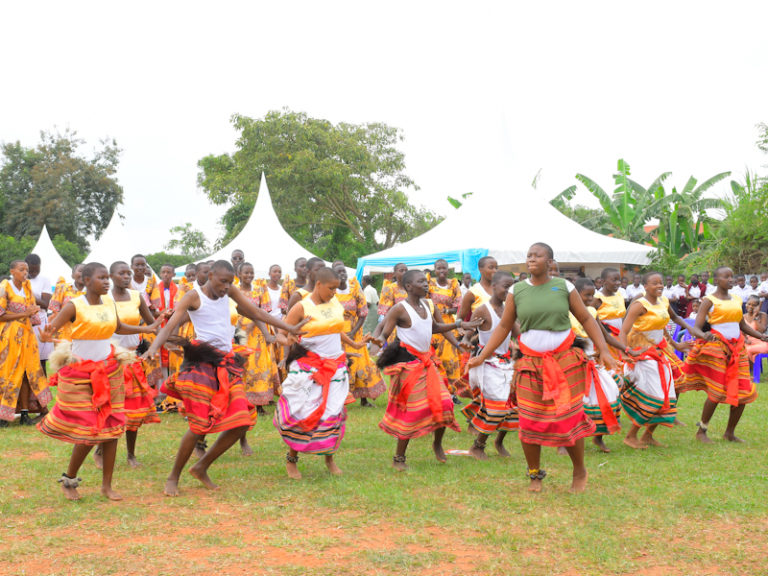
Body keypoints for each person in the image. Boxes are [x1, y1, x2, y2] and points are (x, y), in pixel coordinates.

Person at [143, 260, 308, 497]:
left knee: (242, 421)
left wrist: (288, 328)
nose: (227, 287)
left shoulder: (229, 290)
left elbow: (256, 312)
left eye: (230, 282)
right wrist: (154, 348)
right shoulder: (193, 296)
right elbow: (170, 326)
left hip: (226, 363)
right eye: (223, 281)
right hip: (201, 364)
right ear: (210, 275)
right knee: (199, 426)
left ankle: (201, 467)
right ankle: (173, 477)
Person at [468, 243, 615, 493]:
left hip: (565, 361)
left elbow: (587, 319)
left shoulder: (564, 287)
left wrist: (604, 349)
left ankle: (579, 471)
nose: (531, 259)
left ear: (550, 262)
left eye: (537, 256)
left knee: (568, 417)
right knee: (529, 420)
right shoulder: (517, 290)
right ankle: (534, 475)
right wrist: (482, 356)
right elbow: (504, 327)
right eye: (529, 255)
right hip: (529, 363)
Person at [38, 262, 163, 501]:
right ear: (86, 280)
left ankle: (107, 486)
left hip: (109, 370)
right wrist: (47, 334)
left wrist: (148, 327)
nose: (106, 281)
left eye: (107, 277)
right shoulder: (75, 305)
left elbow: (118, 327)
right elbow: (51, 328)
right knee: (89, 430)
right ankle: (69, 479)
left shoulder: (108, 302)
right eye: (101, 278)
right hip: (82, 374)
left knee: (112, 429)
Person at [373, 270, 480, 471]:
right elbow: (385, 332)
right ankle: (399, 457)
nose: (425, 284)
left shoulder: (427, 304)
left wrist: (458, 327)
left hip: (427, 363)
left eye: (425, 281)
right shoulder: (399, 308)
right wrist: (377, 342)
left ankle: (437, 443)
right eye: (420, 281)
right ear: (408, 287)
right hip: (408, 364)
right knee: (412, 411)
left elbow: (434, 327)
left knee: (446, 403)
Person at [274, 266, 369, 479]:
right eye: (331, 288)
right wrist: (287, 340)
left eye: (337, 289)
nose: (334, 293)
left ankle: (329, 459)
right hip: (310, 368)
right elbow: (280, 333)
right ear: (318, 284)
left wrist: (354, 342)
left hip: (335, 367)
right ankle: (292, 460)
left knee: (334, 413)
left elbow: (336, 329)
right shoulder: (301, 306)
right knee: (303, 413)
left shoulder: (334, 302)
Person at [678, 267, 768, 443]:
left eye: (731, 276)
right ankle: (702, 431)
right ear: (717, 280)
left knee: (744, 390)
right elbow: (697, 327)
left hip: (738, 349)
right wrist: (704, 335)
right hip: (717, 348)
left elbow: (741, 324)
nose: (730, 279)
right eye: (726, 277)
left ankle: (730, 433)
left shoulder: (736, 299)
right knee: (717, 391)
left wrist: (760, 336)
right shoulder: (709, 301)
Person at [618, 271, 703, 449]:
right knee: (655, 397)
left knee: (668, 396)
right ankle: (630, 435)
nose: (659, 286)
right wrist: (626, 353)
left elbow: (671, 321)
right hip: (643, 354)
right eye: (654, 283)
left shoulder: (664, 301)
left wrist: (682, 339)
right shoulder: (639, 305)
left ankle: (648, 435)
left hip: (660, 351)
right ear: (645, 286)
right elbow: (623, 331)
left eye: (661, 283)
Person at [96, 261, 166, 467]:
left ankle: (131, 454)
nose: (126, 277)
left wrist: (163, 323)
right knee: (111, 408)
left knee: (133, 410)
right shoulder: (103, 299)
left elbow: (152, 324)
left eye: (129, 273)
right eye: (122, 273)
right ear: (111, 276)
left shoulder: (137, 297)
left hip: (132, 359)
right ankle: (100, 449)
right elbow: (114, 328)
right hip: (109, 359)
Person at [461, 271, 517, 460]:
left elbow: (518, 332)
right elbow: (469, 330)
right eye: (505, 287)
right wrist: (467, 340)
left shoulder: (510, 309)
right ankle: (478, 446)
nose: (509, 291)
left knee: (512, 406)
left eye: (512, 287)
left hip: (506, 363)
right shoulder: (484, 309)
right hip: (486, 363)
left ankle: (499, 441)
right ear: (493, 286)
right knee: (497, 408)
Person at [570, 278, 628, 453]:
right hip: (572, 362)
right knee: (573, 402)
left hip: (592, 361)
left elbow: (605, 336)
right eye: (586, 296)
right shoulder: (565, 313)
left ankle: (598, 437)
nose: (590, 299)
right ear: (575, 295)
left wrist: (626, 349)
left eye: (591, 295)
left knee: (611, 389)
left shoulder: (591, 312)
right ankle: (568, 441)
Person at [0, 260, 51, 427]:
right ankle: (3, 416)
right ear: (12, 271)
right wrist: (24, 313)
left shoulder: (28, 286)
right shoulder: (4, 287)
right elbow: (1, 315)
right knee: (8, 373)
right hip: (9, 337)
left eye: (26, 270)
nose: (25, 273)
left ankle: (24, 413)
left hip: (27, 337)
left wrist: (32, 313)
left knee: (27, 374)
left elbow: (33, 313)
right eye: (22, 269)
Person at [332, 262, 385, 405]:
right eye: (338, 272)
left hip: (354, 331)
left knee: (360, 363)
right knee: (340, 364)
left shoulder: (355, 287)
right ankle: (339, 398)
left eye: (343, 271)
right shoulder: (330, 290)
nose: (341, 274)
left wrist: (353, 332)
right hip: (335, 332)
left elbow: (363, 312)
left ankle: (364, 398)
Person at [235, 262, 279, 430]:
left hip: (258, 332)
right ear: (239, 274)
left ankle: (259, 405)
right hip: (239, 333)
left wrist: (256, 325)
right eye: (246, 273)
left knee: (259, 366)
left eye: (251, 272)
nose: (249, 275)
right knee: (243, 367)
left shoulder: (260, 289)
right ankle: (242, 404)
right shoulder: (234, 290)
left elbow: (265, 311)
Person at [428, 259, 465, 397]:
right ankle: (436, 391)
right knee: (433, 359)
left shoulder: (453, 285)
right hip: (431, 325)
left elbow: (458, 306)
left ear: (448, 269)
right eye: (438, 268)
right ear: (434, 270)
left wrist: (446, 311)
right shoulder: (429, 283)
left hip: (447, 325)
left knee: (450, 359)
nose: (441, 271)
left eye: (444, 268)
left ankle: (453, 393)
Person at [25, 254, 54, 373]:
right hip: (23, 321)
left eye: (37, 270)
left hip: (39, 322)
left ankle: (42, 389)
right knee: (25, 358)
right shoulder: (18, 280)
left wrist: (29, 295)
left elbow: (46, 304)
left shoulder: (44, 280)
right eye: (31, 271)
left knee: (40, 360)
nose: (34, 273)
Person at [49, 264, 85, 341]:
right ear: (72, 275)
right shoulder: (63, 288)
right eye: (80, 271)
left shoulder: (92, 292)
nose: (83, 274)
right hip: (63, 333)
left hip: (83, 334)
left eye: (87, 272)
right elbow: (55, 309)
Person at [457, 257, 498, 322]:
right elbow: (459, 319)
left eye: (496, 268)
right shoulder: (473, 292)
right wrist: (463, 329)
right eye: (491, 267)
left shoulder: (500, 290)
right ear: (480, 269)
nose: (495, 271)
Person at [594, 268, 625, 336]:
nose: (618, 283)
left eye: (619, 280)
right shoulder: (598, 298)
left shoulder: (619, 295)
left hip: (619, 336)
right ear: (603, 281)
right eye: (614, 280)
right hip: (605, 337)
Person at [744, 295, 768, 363]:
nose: (751, 307)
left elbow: (762, 330)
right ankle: (754, 362)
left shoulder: (763, 315)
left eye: (754, 305)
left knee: (748, 350)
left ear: (758, 306)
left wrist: (755, 317)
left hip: (761, 341)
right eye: (749, 304)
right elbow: (741, 333)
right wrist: (745, 340)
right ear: (746, 304)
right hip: (748, 342)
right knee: (744, 349)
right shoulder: (743, 317)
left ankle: (752, 367)